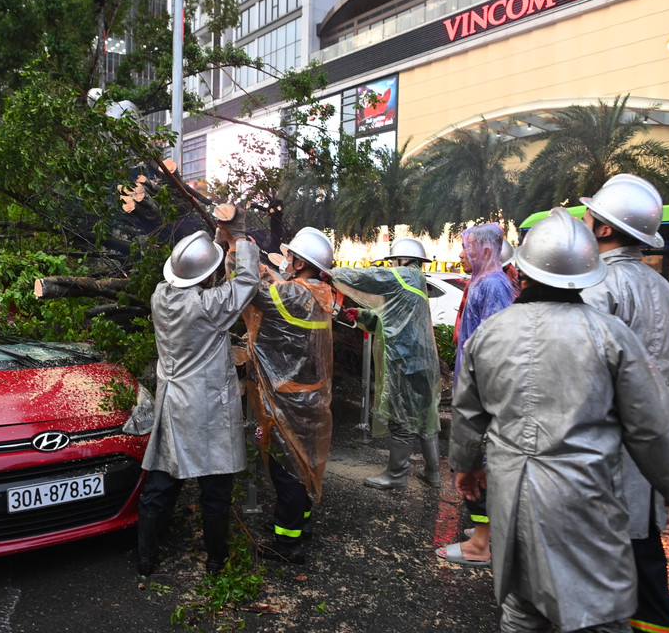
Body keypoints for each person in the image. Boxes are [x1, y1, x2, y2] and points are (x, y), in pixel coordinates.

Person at [450, 207, 669, 633]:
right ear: (587, 273)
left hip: (513, 500)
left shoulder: (489, 335)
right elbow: (653, 427)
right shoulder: (611, 335)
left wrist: (467, 467)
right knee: (596, 615)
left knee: (521, 610)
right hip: (585, 503)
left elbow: (468, 414)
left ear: (523, 272)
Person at [580, 174, 669, 633]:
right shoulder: (665, 289)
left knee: (600, 558)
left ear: (603, 230)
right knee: (645, 553)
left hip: (604, 449)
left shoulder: (598, 287)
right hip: (651, 444)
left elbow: (584, 381)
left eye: (588, 216)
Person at [137, 209, 259, 576]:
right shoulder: (208, 307)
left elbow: (194, 270)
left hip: (172, 403)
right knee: (215, 489)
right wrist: (239, 240)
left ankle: (145, 560)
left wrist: (216, 239)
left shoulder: (161, 297)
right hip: (206, 407)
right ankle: (215, 560)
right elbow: (247, 281)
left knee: (161, 484)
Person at [239, 226, 335, 565]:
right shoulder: (321, 292)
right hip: (313, 396)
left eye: (291, 257)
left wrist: (242, 255)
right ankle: (300, 525)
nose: (287, 260)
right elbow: (275, 287)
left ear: (300, 263)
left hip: (289, 398)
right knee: (304, 464)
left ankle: (288, 542)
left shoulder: (295, 295)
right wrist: (259, 262)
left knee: (287, 471)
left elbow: (257, 293)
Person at [331, 237, 442, 489]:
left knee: (401, 417)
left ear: (403, 260)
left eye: (394, 261)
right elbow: (393, 319)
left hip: (405, 361)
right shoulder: (417, 280)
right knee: (425, 416)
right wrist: (363, 316)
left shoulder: (403, 275)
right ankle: (433, 473)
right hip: (423, 362)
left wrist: (329, 272)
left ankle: (396, 475)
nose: (392, 266)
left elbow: (367, 278)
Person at [436, 222, 515, 566]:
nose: (459, 255)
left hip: (480, 392)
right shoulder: (482, 282)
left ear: (484, 252)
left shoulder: (494, 285)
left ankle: (481, 543)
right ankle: (484, 529)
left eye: (465, 248)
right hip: (472, 387)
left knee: (474, 459)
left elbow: (492, 345)